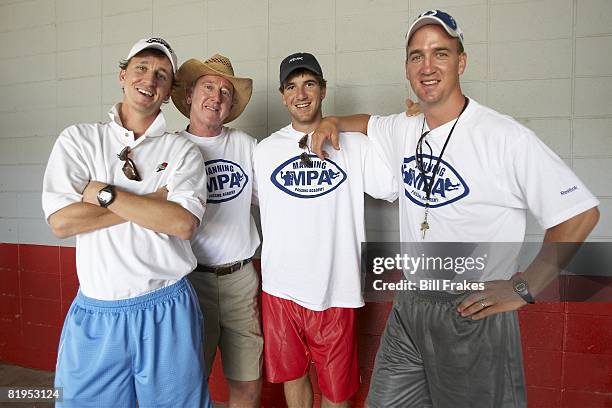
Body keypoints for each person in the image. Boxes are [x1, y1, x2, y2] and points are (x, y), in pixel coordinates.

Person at [311, 10, 600, 407]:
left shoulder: (503, 136)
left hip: (473, 308)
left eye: (440, 53)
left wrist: (525, 286)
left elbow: (580, 213)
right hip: (411, 304)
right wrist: (331, 120)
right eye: (417, 56)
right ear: (407, 68)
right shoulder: (404, 127)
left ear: (461, 61)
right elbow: (368, 122)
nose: (427, 66)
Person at [42, 38, 211, 407]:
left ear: (168, 93)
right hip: (98, 311)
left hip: (166, 308)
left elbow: (182, 224)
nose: (149, 79)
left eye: (162, 75)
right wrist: (152, 203)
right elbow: (62, 222)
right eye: (141, 68)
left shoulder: (181, 150)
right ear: (123, 75)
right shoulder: (79, 140)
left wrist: (103, 193)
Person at [253, 52, 397, 407]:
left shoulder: (356, 146)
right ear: (282, 94)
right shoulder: (264, 151)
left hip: (336, 289)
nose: (301, 94)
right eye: (292, 86)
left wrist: (404, 125)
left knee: (337, 391)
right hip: (280, 288)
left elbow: (394, 185)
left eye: (309, 84)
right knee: (294, 376)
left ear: (323, 89)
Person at [171, 54, 262, 407]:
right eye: (209, 86)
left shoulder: (247, 146)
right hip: (190, 281)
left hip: (241, 279)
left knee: (247, 382)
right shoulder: (171, 148)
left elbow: (276, 197)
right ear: (190, 96)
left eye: (226, 91)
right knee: (188, 384)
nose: (217, 96)